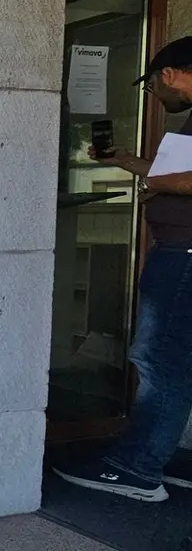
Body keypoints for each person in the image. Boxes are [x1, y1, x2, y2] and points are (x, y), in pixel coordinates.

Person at [55, 37, 192, 522]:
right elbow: (178, 173)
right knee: (176, 361)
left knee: (159, 361)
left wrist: (155, 183)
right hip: (182, 252)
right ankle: (157, 456)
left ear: (170, 74)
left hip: (185, 256)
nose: (156, 95)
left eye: (152, 86)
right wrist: (125, 161)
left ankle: (137, 469)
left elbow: (185, 180)